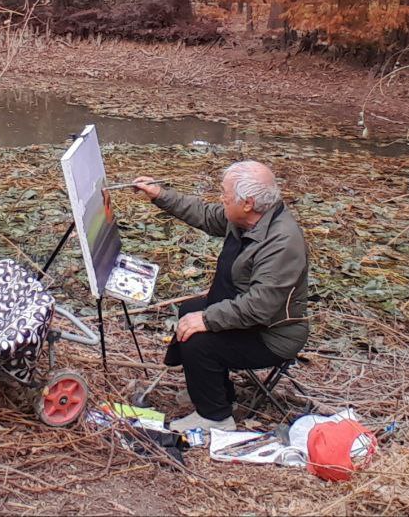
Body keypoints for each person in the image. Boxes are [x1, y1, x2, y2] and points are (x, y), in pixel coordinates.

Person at [132, 161, 309, 432]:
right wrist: (160, 194)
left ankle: (216, 416)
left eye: (225, 194)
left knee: (199, 339)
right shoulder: (247, 219)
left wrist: (207, 319)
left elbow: (260, 306)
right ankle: (214, 391)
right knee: (190, 309)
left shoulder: (282, 242)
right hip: (250, 317)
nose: (221, 199)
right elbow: (203, 214)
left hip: (272, 334)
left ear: (247, 202)